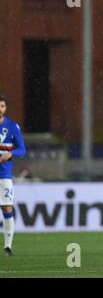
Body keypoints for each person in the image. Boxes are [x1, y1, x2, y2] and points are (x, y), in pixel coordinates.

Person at [0, 95, 26, 256]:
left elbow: (22, 149)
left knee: (6, 207)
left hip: (4, 175)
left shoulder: (12, 126)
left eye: (2, 106)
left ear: (5, 108)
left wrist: (10, 153)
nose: (0, 109)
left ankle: (8, 246)